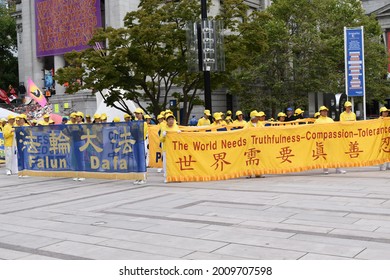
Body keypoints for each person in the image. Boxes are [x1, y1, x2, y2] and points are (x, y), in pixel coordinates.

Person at [315, 106, 346, 174]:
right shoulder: (317, 121)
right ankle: (325, 169)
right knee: (324, 155)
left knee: (335, 154)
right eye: (323, 111)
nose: (324, 112)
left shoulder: (330, 120)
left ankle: (338, 168)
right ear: (320, 112)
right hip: (322, 141)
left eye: (325, 111)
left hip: (331, 141)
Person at [159, 113, 180, 183]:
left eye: (172, 119)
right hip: (166, 149)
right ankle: (167, 177)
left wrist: (180, 134)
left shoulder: (176, 127)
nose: (171, 121)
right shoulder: (164, 128)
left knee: (175, 163)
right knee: (166, 164)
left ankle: (175, 176)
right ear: (167, 121)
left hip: (174, 149)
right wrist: (164, 135)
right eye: (169, 119)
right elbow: (161, 139)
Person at [379, 107, 390, 171]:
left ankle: (388, 165)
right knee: (382, 152)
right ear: (381, 113)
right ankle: (382, 166)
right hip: (381, 139)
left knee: (388, 152)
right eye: (384, 112)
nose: (386, 113)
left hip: (388, 138)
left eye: (387, 112)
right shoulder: (379, 120)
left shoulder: (388, 120)